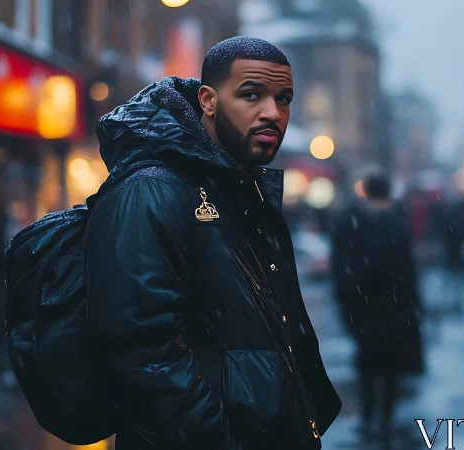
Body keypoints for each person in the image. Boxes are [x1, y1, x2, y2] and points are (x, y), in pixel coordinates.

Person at [84, 37, 341, 449]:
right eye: (251, 95)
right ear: (208, 100)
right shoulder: (151, 190)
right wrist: (219, 437)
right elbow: (139, 355)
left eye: (284, 98)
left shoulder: (243, 189)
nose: (273, 113)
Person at [331, 171, 424, 450]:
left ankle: (370, 417)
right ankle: (384, 419)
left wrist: (348, 298)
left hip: (363, 306)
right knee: (392, 366)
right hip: (394, 306)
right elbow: (408, 270)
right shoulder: (397, 222)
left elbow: (341, 263)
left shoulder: (351, 221)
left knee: (367, 363)